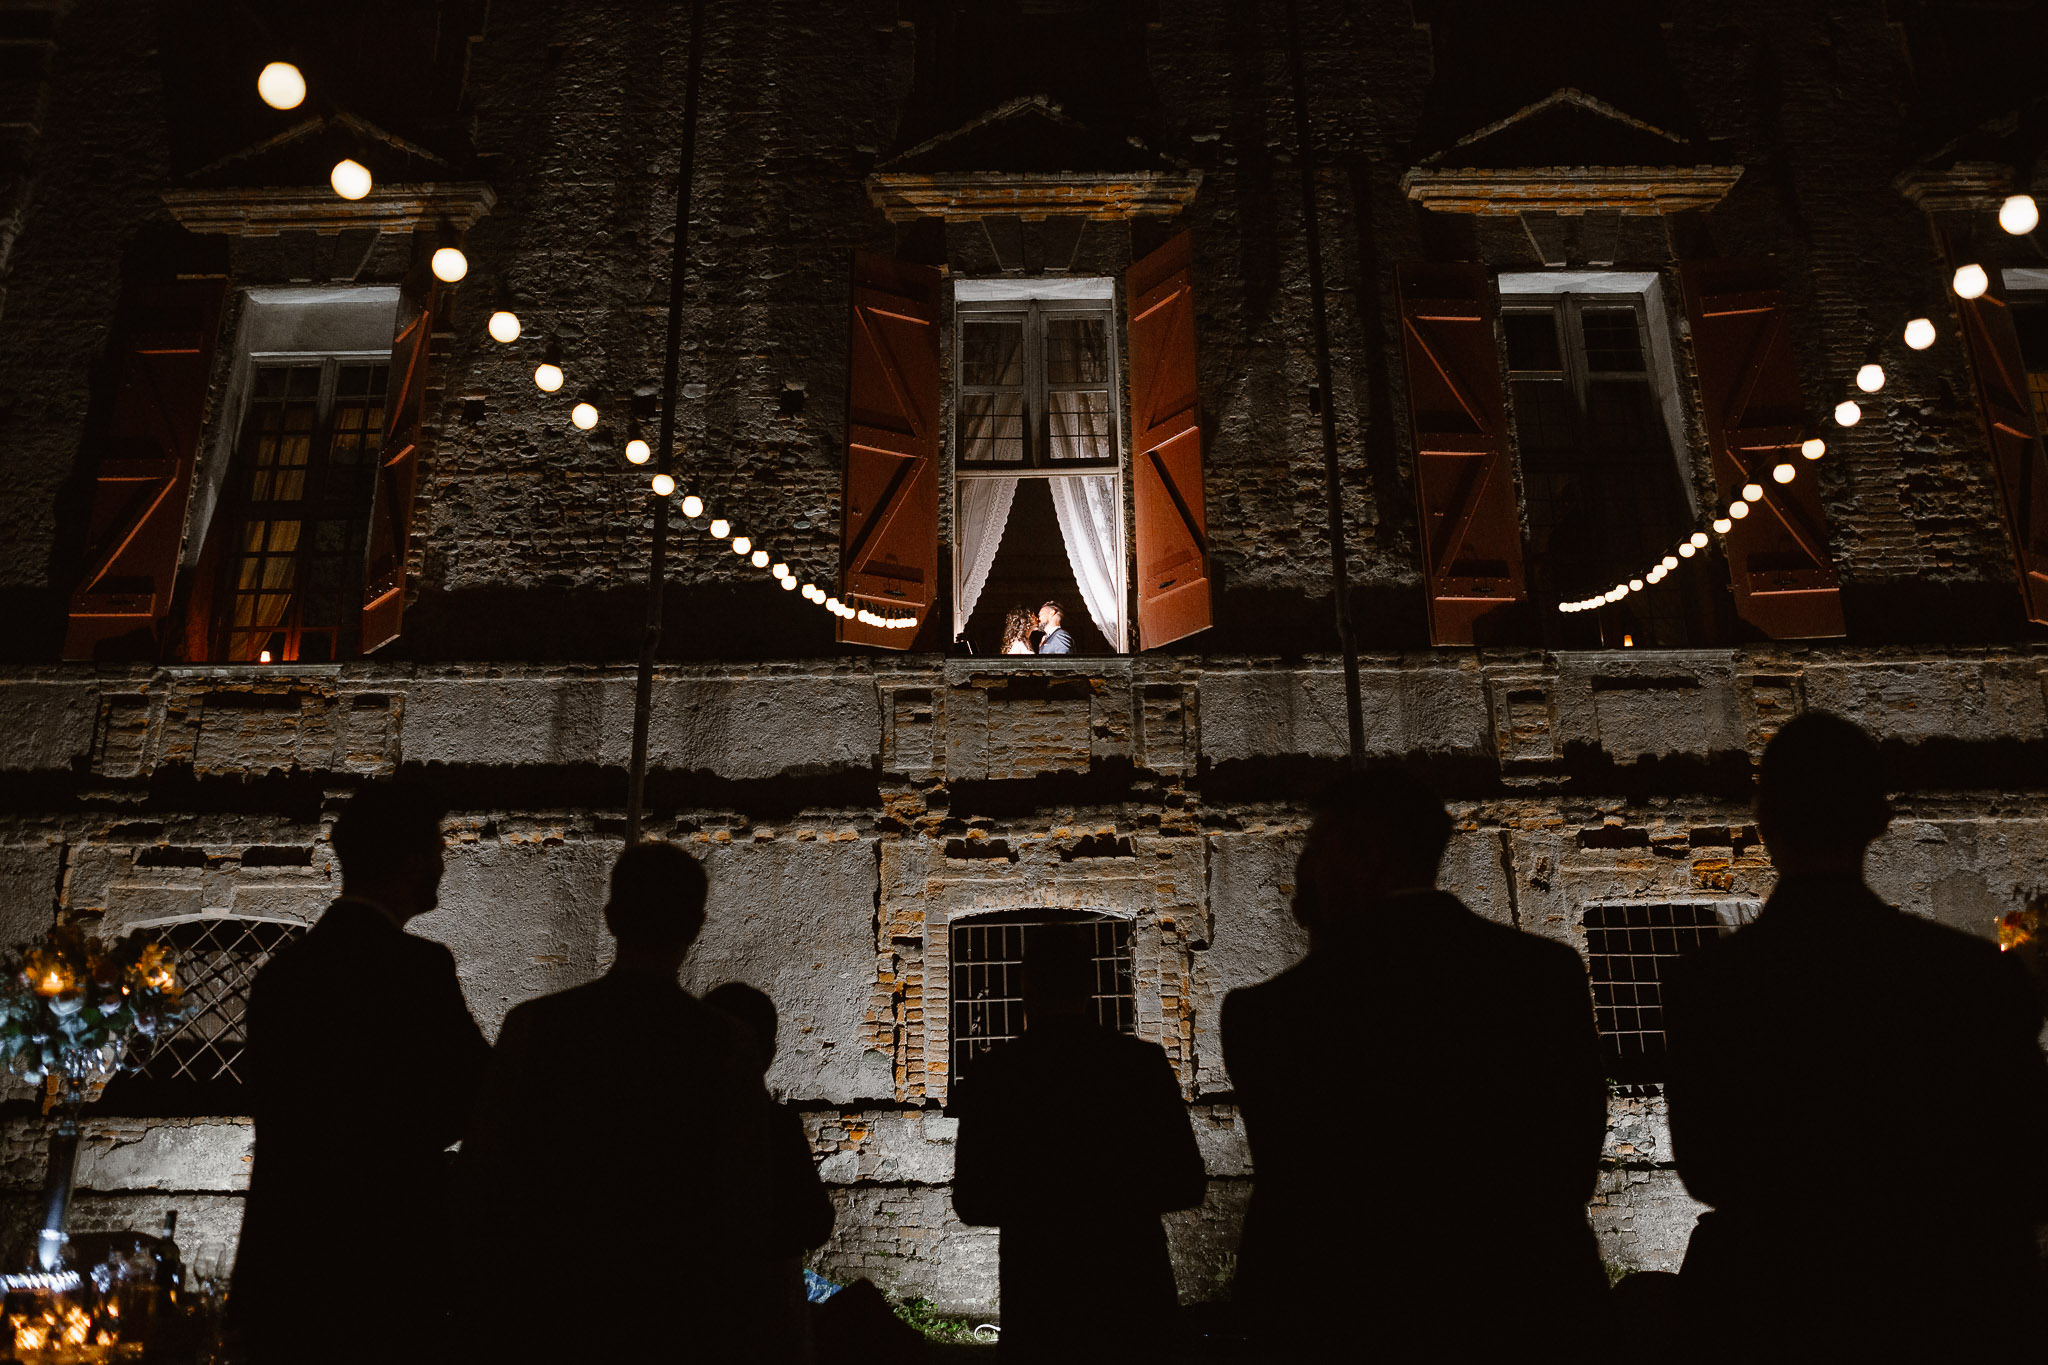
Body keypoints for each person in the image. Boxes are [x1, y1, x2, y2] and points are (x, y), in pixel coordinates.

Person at [1663, 713, 2048, 1362]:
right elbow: (2029, 1165)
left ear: (1764, 822)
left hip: (1775, 1313)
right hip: (1942, 1310)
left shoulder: (1709, 986)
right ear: (1879, 818)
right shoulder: (1974, 978)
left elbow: (1706, 1168)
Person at [1222, 769, 1607, 1360]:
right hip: (1529, 1310)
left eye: (1316, 850)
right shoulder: (1546, 975)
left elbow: (1296, 1202)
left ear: (1359, 855)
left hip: (1350, 1322)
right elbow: (1573, 1165)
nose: (1306, 871)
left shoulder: (1271, 1013)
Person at [454, 842, 831, 1364]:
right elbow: (744, 1205)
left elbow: (482, 1175)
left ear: (610, 918)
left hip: (551, 1308)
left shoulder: (534, 1027)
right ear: (695, 927)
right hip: (676, 1317)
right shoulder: (728, 1045)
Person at [231, 781, 490, 1365]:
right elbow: (472, 1096)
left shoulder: (282, 976)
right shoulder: (417, 968)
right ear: (410, 863)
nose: (442, 867)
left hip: (286, 1264)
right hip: (386, 1263)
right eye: (438, 852)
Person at [950, 923, 1205, 1362]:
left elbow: (972, 1202)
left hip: (1040, 1306)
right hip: (1134, 1302)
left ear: (1026, 986)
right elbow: (1187, 1183)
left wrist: (1043, 1202)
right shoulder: (1140, 1067)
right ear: (1089, 985)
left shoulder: (996, 1075)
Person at [704, 982, 837, 1362]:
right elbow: (816, 1223)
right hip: (767, 1308)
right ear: (767, 1053)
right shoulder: (773, 1126)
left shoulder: (671, 1128)